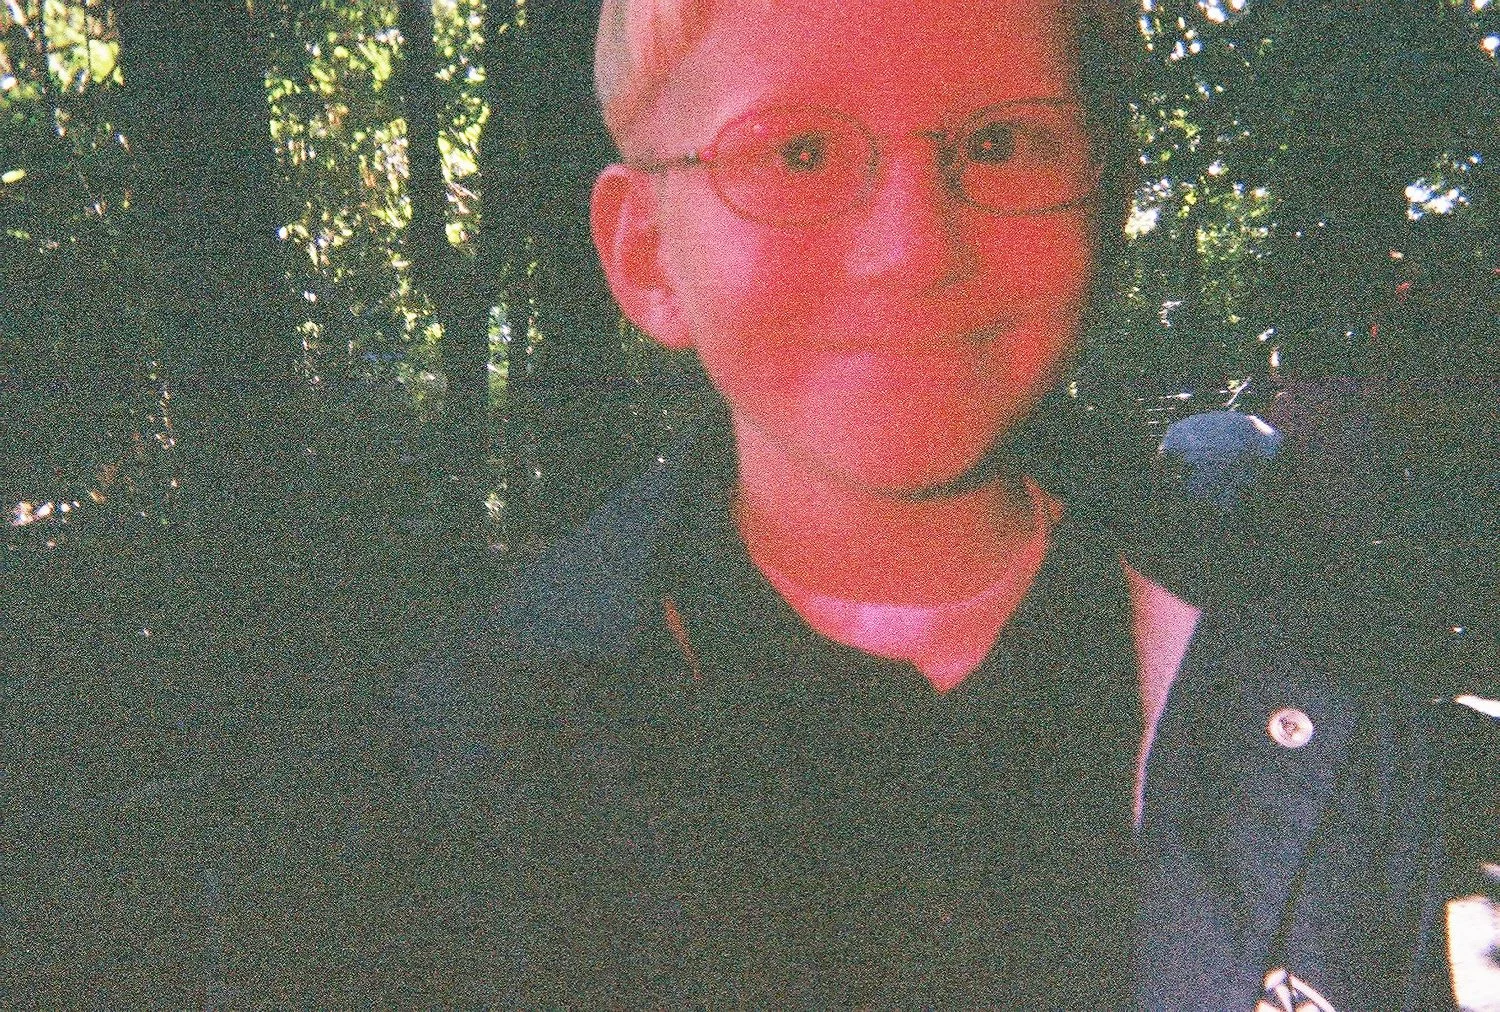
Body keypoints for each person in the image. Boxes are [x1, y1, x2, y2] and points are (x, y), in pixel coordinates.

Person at [403, 0, 1498, 1007]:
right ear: (646, 253)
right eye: (799, 152)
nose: (915, 249)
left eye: (1001, 143)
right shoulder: (455, 765)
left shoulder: (1334, 718)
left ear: (1107, 199)